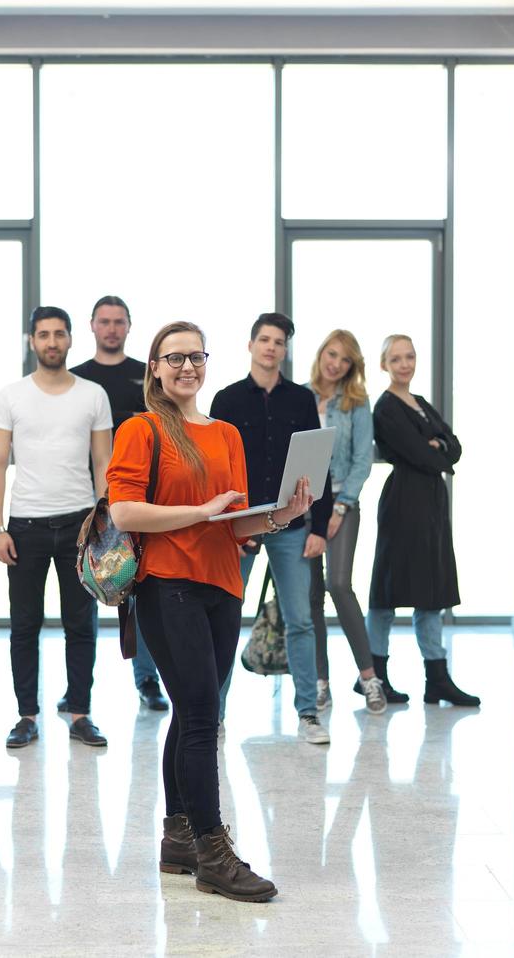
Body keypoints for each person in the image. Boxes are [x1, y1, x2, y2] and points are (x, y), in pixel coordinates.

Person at [107, 321, 312, 902]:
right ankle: (212, 851)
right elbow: (124, 514)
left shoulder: (226, 433)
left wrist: (281, 515)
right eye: (173, 358)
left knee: (191, 711)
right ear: (154, 368)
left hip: (223, 584)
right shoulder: (141, 429)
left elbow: (235, 522)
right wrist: (199, 510)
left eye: (195, 356)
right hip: (166, 584)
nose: (186, 367)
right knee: (201, 713)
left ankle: (177, 837)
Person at [0, 306, 113, 749]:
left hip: (80, 525)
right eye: (44, 334)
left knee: (82, 624)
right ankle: (26, 715)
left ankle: (80, 713)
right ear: (32, 341)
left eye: (59, 334)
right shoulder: (11, 395)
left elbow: (103, 463)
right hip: (24, 527)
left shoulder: (93, 394)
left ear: (71, 339)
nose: (52, 342)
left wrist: (106, 525)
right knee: (24, 625)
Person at [211, 313, 333, 744]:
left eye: (279, 342)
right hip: (241, 526)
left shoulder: (301, 399)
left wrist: (319, 526)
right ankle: (215, 717)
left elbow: (318, 464)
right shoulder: (226, 400)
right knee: (224, 620)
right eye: (264, 339)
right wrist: (229, 530)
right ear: (250, 345)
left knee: (300, 620)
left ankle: (308, 715)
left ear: (285, 350)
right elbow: (216, 469)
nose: (271, 347)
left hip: (292, 525)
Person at [366, 334, 480, 706]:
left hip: (431, 505)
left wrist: (439, 447)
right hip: (404, 503)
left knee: (432, 590)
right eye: (396, 358)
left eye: (410, 357)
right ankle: (375, 675)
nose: (404, 364)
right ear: (384, 364)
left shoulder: (420, 403)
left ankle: (437, 678)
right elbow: (421, 454)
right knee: (388, 589)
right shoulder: (385, 407)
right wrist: (435, 448)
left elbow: (455, 447)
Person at [69, 294, 168, 712]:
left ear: (129, 327)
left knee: (138, 590)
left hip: (137, 499)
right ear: (92, 326)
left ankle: (147, 679)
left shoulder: (144, 379)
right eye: (104, 321)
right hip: (86, 499)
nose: (111, 328)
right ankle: (78, 688)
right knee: (90, 590)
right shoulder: (76, 381)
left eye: (119, 322)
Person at [306, 330, 387, 714]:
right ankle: (320, 682)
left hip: (342, 502)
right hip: (303, 506)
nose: (335, 363)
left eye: (345, 359)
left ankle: (369, 677)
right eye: (332, 354)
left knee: (339, 584)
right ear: (322, 353)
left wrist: (340, 508)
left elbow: (362, 460)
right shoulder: (300, 396)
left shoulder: (356, 403)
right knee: (310, 596)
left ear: (352, 367)